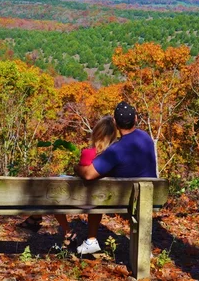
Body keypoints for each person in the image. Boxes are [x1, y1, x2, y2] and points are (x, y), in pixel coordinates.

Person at [17, 115, 118, 248]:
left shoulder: (88, 153)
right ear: (113, 135)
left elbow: (82, 173)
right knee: (93, 196)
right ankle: (36, 218)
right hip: (103, 200)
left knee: (54, 187)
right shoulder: (115, 156)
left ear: (96, 133)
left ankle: (66, 231)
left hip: (80, 199)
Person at [74, 101, 157, 255]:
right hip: (150, 197)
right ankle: (144, 247)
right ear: (136, 119)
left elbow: (88, 174)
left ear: (115, 123)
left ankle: (91, 240)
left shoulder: (116, 150)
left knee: (97, 188)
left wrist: (76, 168)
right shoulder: (146, 138)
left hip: (125, 200)